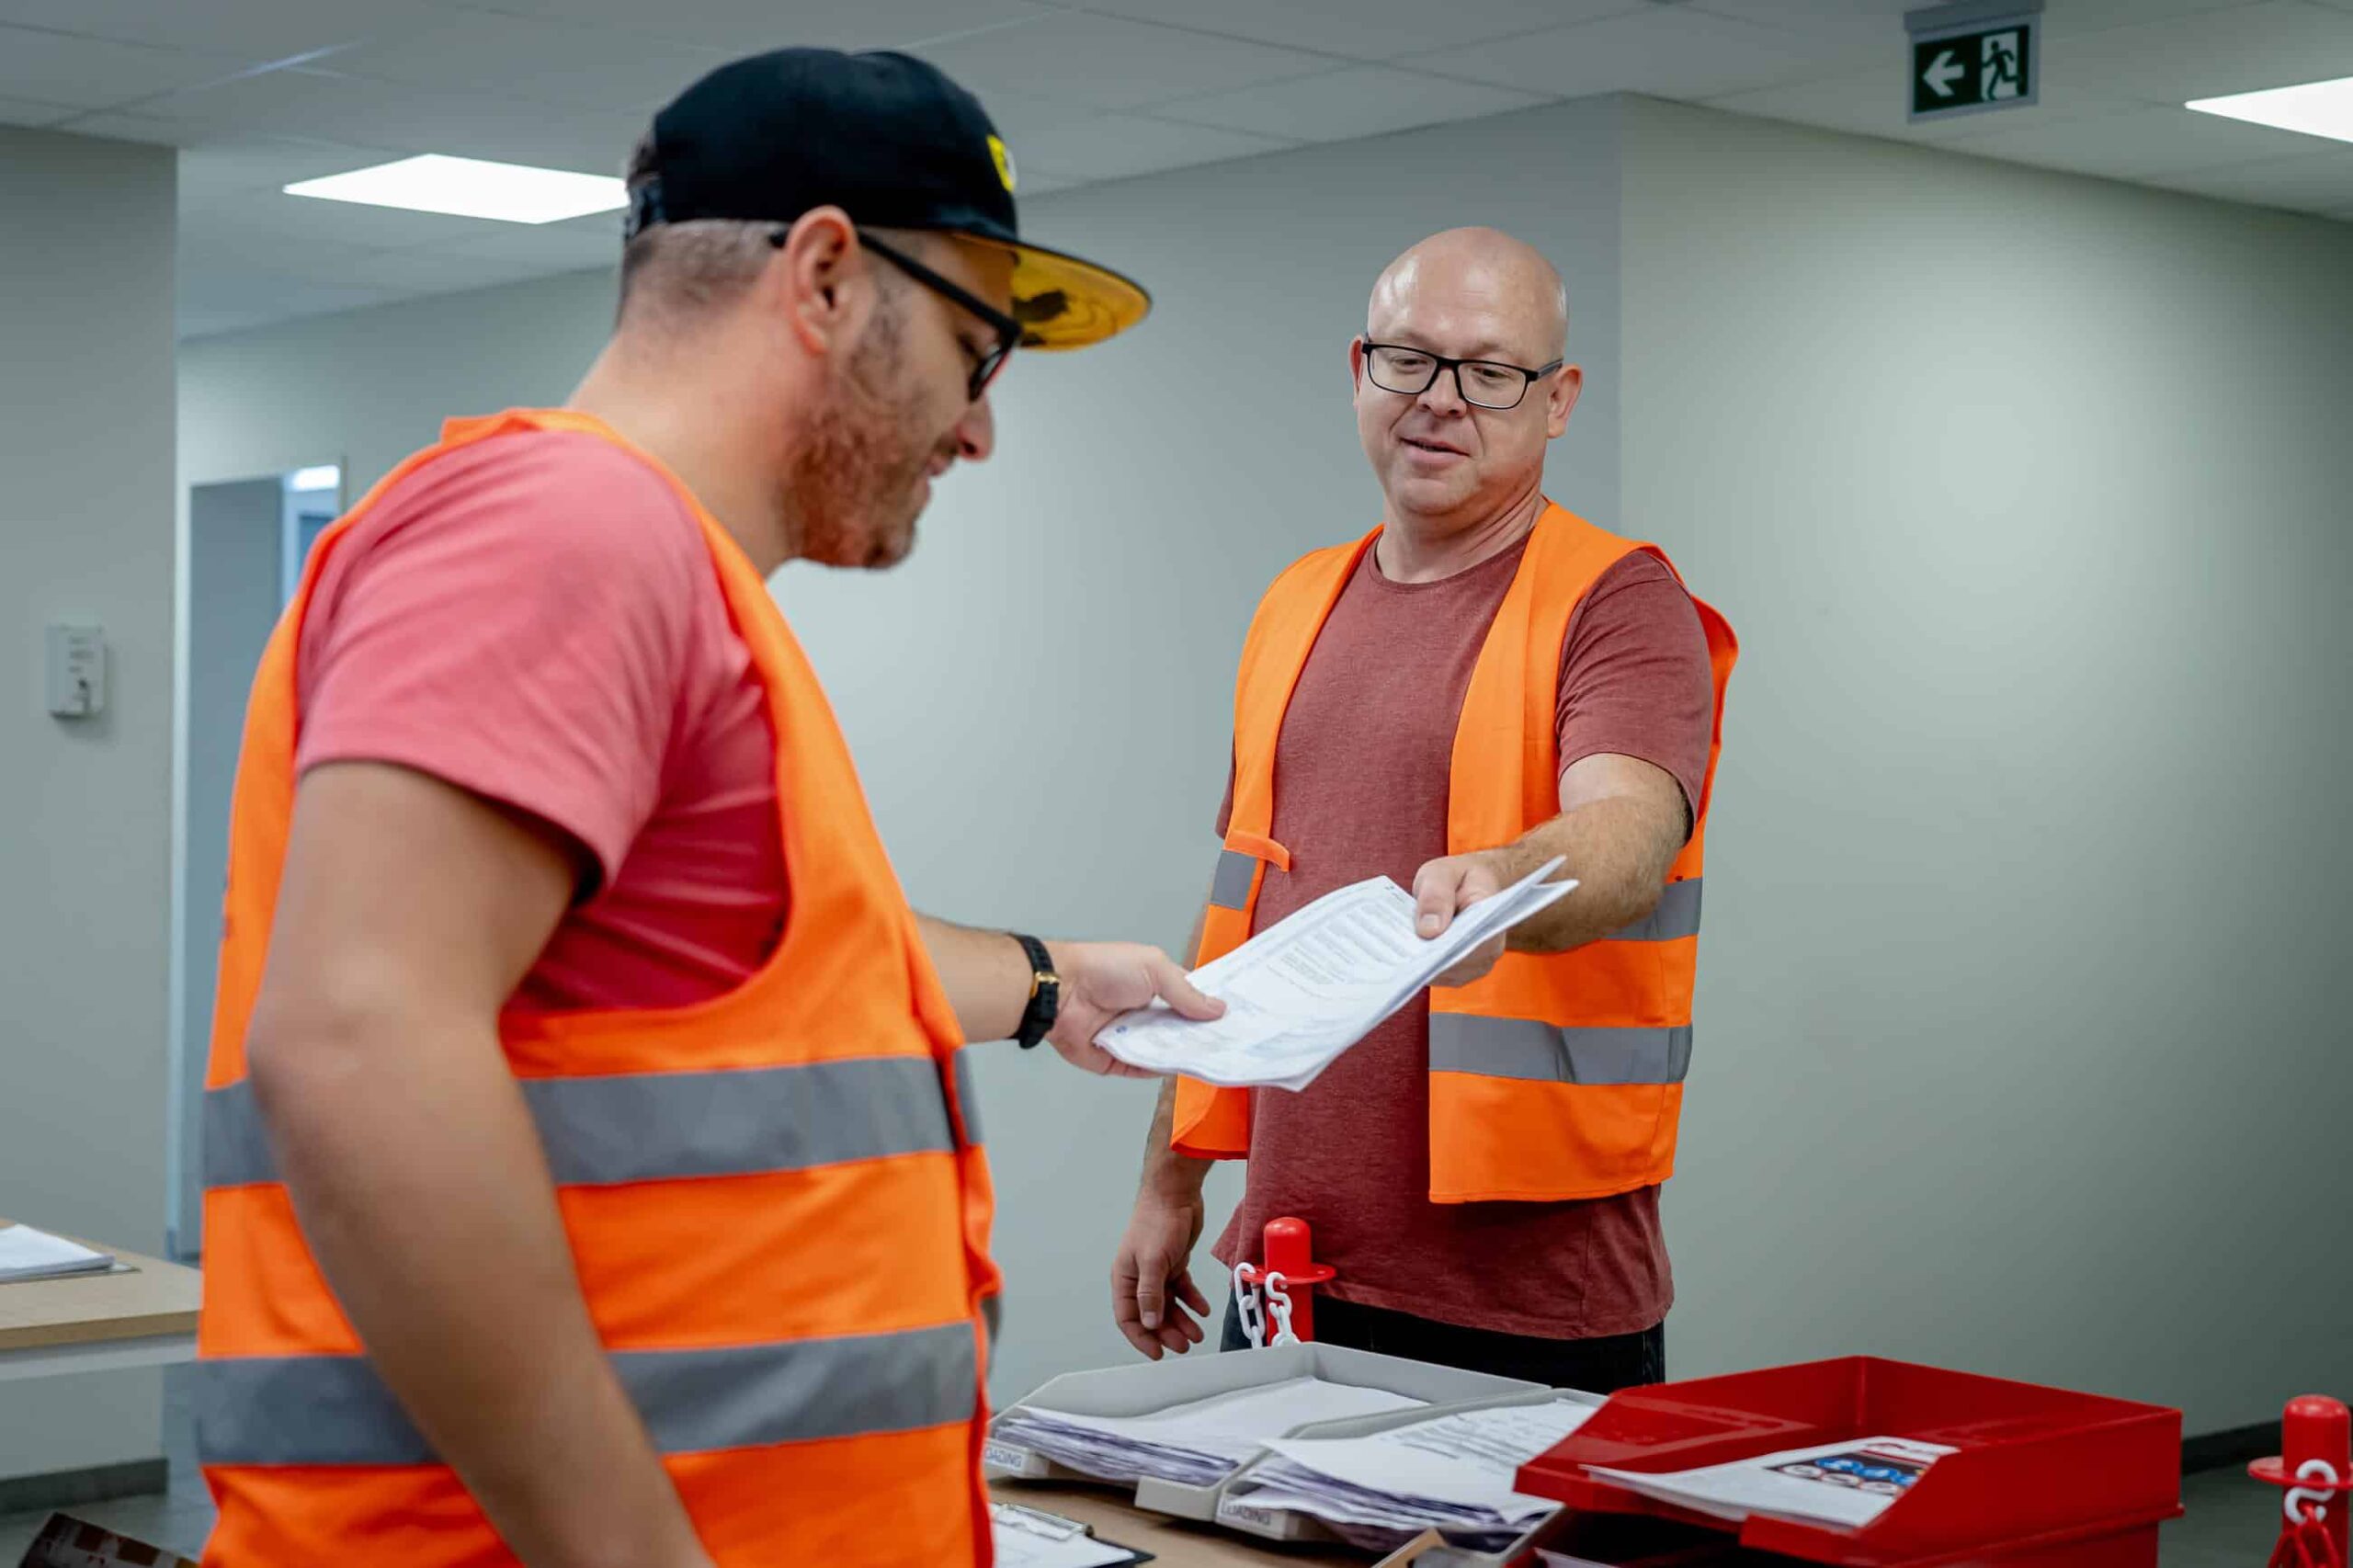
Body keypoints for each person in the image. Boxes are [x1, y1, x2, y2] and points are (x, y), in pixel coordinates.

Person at [194, 49, 1218, 1568]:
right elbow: (357, 1040)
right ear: (820, 275)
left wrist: (1055, 980)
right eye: (974, 348)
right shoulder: (567, 528)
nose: (980, 428)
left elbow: (738, 982)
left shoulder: (658, 573)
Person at [1109, 227, 1737, 1392]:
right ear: (1359, 369)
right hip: (1286, 1279)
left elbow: (1631, 831)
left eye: (1490, 372)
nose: (1439, 402)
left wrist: (1510, 875)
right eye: (1408, 359)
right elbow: (1239, 920)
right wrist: (1172, 1175)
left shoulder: (1620, 603)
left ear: (1557, 402)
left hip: (1524, 1305)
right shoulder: (1297, 601)